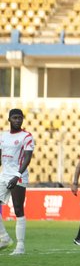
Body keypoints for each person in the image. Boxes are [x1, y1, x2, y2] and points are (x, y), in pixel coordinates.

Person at [0, 109, 34, 255]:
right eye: (15, 118)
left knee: (18, 209)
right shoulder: (3, 136)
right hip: (4, 175)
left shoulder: (26, 136)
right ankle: (4, 238)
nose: (18, 120)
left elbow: (27, 158)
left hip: (18, 176)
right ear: (9, 119)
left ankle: (20, 246)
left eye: (20, 118)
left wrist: (17, 175)